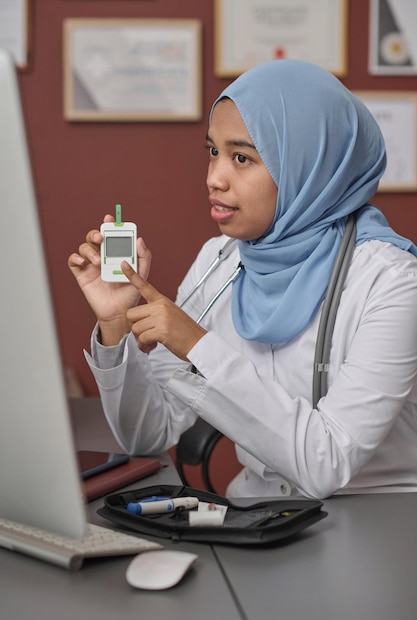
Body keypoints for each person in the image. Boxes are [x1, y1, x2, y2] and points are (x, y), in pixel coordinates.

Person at [68, 59, 417, 499]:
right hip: (257, 518)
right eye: (213, 152)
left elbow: (327, 462)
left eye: (242, 158)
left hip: (374, 522)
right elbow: (146, 434)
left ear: (305, 165)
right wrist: (117, 324)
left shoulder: (392, 282)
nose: (214, 178)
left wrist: (198, 346)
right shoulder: (220, 259)